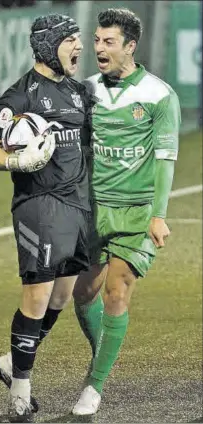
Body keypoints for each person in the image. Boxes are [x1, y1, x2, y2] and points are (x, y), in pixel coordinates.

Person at [0, 13, 94, 422]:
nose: (79, 47)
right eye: (70, 40)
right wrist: (18, 158)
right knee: (38, 297)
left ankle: (12, 362)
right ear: (48, 46)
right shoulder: (19, 96)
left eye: (79, 39)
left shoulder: (80, 93)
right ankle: (20, 397)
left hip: (78, 207)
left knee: (61, 298)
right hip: (39, 206)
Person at [71, 7, 181, 415]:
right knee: (83, 294)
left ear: (130, 46)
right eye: (97, 40)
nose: (99, 48)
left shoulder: (158, 95)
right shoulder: (86, 91)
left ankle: (93, 385)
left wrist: (158, 214)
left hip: (136, 213)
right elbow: (77, 149)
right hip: (92, 210)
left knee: (117, 293)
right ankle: (104, 353)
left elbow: (165, 159)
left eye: (108, 42)